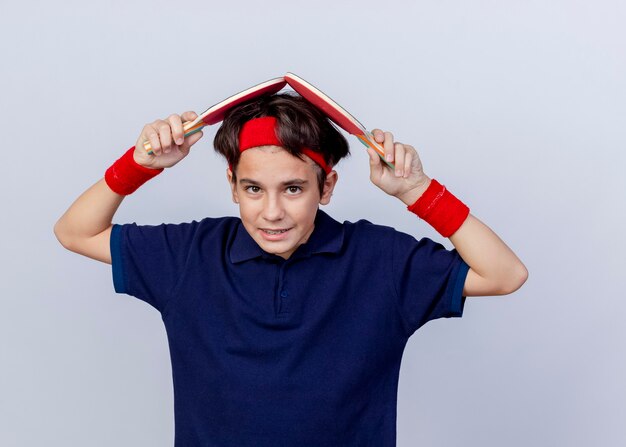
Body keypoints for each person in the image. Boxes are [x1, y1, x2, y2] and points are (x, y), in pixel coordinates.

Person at [54, 92, 528, 446]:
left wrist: (418, 192)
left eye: (294, 189)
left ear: (327, 188)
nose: (272, 212)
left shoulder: (381, 261)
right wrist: (139, 165)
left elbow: (504, 274)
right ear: (233, 186)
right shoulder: (190, 255)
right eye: (254, 189)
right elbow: (75, 231)